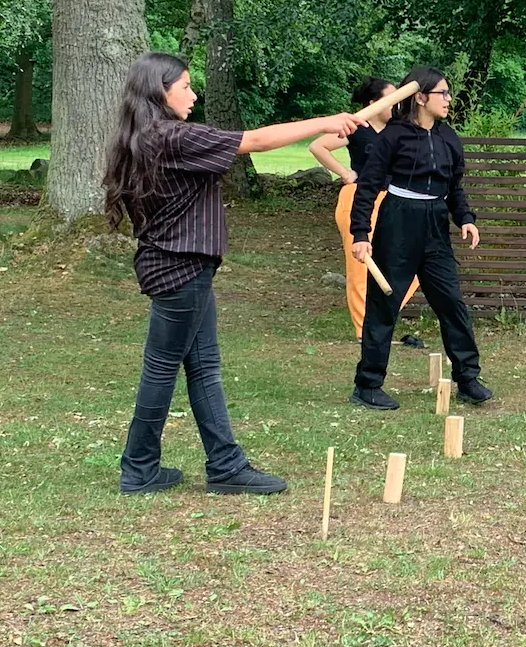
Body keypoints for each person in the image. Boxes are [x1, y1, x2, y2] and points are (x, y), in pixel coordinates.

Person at [104, 51, 361, 494]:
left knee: (200, 366)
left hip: (176, 264)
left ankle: (219, 465)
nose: (194, 93)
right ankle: (141, 469)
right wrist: (323, 122)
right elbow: (255, 142)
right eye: (185, 85)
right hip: (180, 267)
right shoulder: (174, 137)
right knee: (165, 368)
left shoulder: (145, 136)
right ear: (159, 90)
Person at [348, 66, 493, 410]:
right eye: (442, 93)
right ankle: (367, 385)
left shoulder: (449, 138)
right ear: (421, 97)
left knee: (452, 303)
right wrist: (360, 233)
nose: (448, 99)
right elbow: (367, 186)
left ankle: (468, 379)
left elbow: (454, 187)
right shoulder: (393, 136)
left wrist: (465, 220)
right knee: (384, 306)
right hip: (398, 220)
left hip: (435, 225)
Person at [308, 77, 420, 340]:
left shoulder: (397, 129)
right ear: (373, 103)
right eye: (391, 98)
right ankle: (363, 331)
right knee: (361, 266)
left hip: (390, 200)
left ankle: (379, 317)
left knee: (414, 261)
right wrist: (346, 174)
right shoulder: (358, 128)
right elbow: (318, 146)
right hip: (357, 199)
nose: (397, 103)